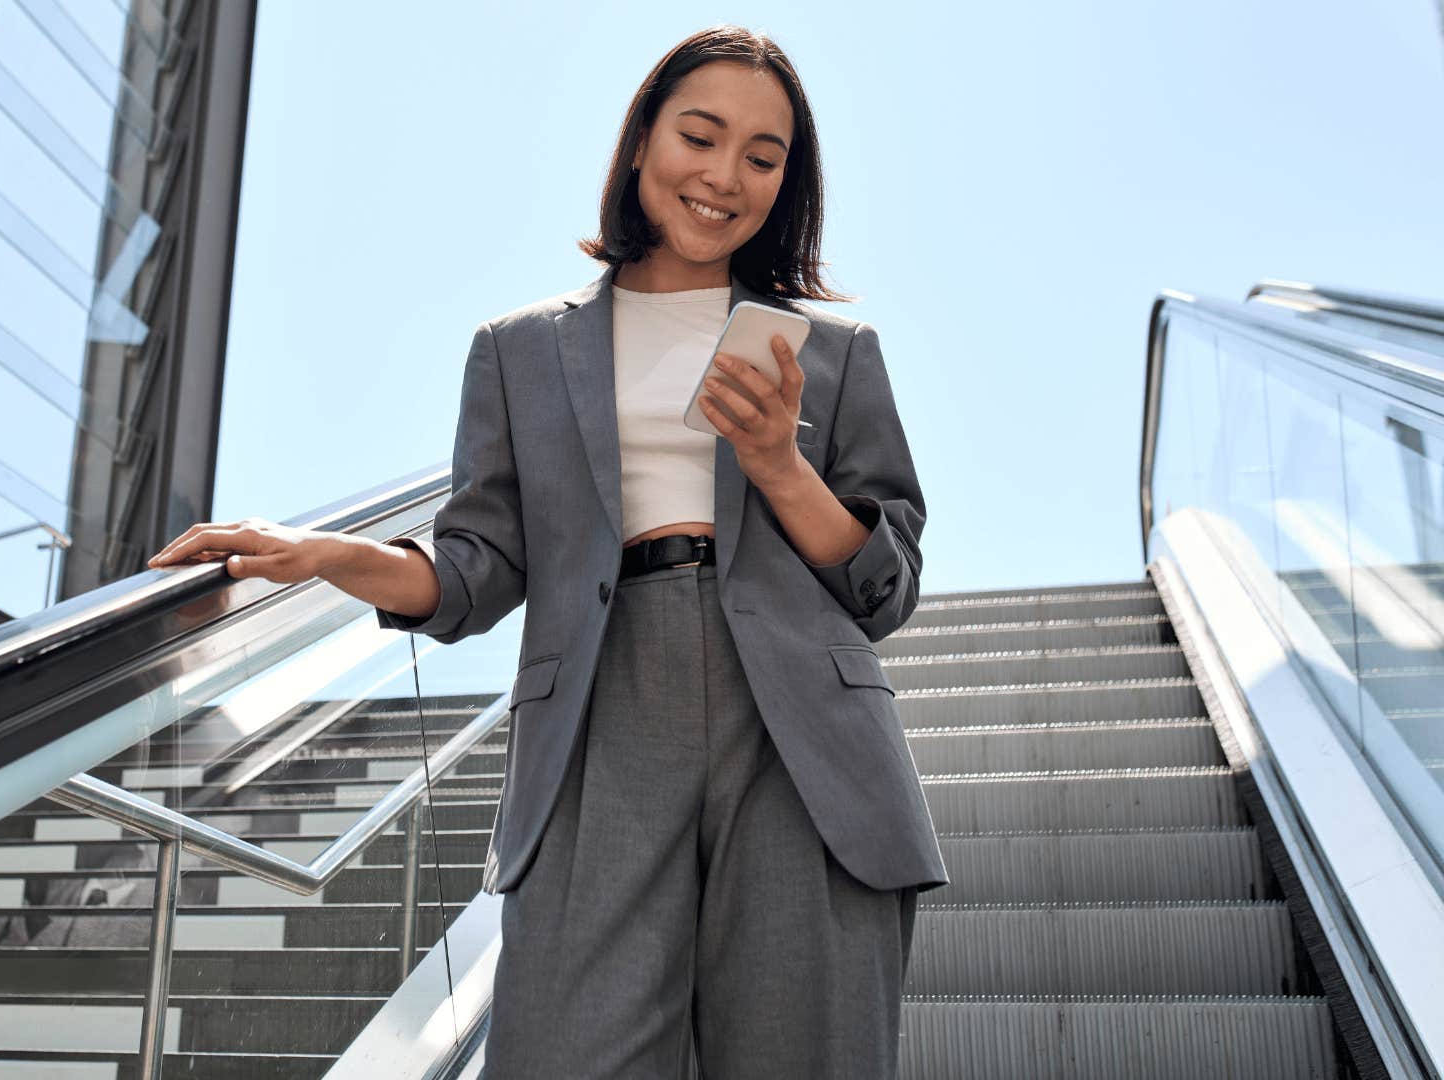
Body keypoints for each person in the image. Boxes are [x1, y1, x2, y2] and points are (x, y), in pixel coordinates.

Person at [148, 24, 945, 1078]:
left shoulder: (835, 352)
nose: (724, 176)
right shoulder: (520, 350)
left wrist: (779, 466)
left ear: (788, 184)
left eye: (763, 156)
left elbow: (885, 587)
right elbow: (477, 566)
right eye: (699, 137)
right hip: (596, 721)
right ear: (638, 145)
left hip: (804, 735)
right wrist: (334, 556)